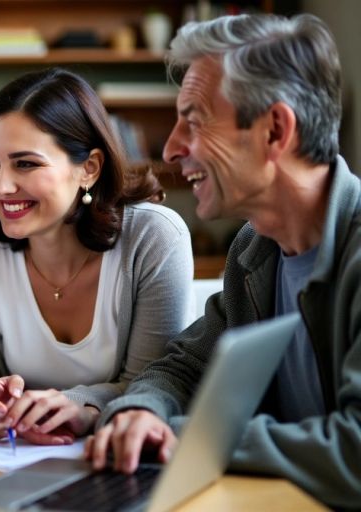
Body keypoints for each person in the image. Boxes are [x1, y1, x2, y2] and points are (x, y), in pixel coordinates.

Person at [86, 14, 361, 507]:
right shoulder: (254, 249)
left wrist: (184, 436)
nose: (170, 149)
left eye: (193, 119)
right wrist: (141, 413)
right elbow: (184, 366)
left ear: (275, 130)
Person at [0, 68, 194, 445]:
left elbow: (155, 385)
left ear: (89, 168)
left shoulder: (154, 237)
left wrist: (81, 406)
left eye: (26, 163)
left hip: (115, 454)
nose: (1, 187)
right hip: (11, 457)